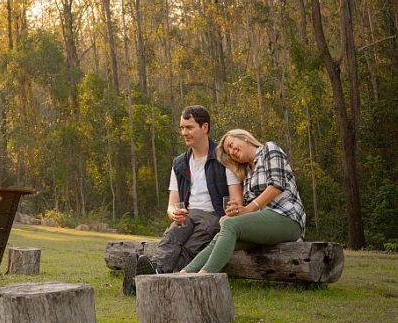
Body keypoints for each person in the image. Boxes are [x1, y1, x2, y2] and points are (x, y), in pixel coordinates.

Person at [122, 105, 242, 295]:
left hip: (214, 217)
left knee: (192, 244)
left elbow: (236, 199)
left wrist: (231, 215)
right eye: (182, 128)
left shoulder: (224, 158)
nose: (184, 132)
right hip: (188, 214)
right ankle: (154, 271)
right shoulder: (179, 163)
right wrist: (174, 213)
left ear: (205, 128)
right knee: (173, 235)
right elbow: (172, 204)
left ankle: (145, 279)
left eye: (189, 127)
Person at [182, 129, 305, 273]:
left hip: (288, 218)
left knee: (230, 225)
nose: (231, 151)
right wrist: (235, 214)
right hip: (266, 224)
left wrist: (246, 210)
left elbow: (276, 186)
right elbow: (252, 211)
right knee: (222, 235)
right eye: (228, 152)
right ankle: (185, 274)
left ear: (244, 138)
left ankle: (204, 276)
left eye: (231, 144)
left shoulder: (269, 149)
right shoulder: (246, 172)